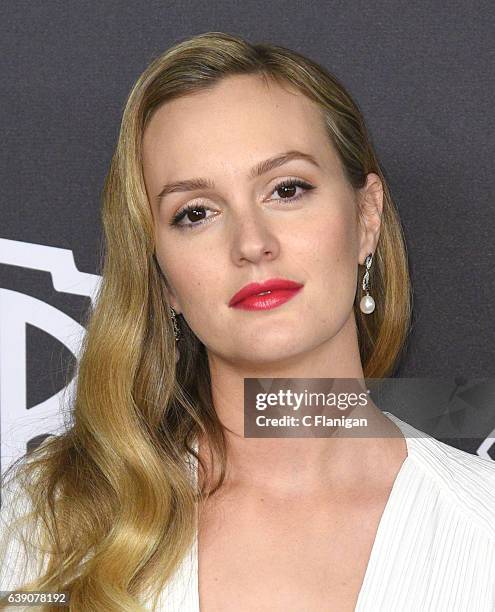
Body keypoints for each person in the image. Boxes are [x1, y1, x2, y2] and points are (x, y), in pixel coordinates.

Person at [1, 31, 494, 611]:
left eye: (287, 189)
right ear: (162, 277)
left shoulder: (482, 524)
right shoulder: (51, 519)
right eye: (196, 213)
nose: (252, 244)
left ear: (366, 218)